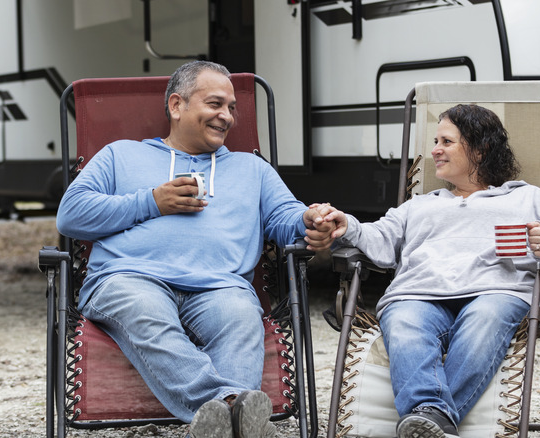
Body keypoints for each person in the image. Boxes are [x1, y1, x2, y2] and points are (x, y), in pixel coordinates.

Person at [56, 60, 339, 438]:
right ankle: (234, 408)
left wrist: (310, 222)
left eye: (232, 108)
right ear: (176, 106)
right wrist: (153, 201)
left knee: (241, 318)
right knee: (146, 313)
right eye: (215, 104)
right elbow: (71, 216)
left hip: (220, 286)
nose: (227, 117)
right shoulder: (119, 155)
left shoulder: (251, 169)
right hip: (131, 278)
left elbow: (286, 217)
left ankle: (223, 422)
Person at [324, 104, 540, 438]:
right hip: (419, 294)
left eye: (446, 141)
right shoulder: (420, 205)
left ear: (480, 150)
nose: (434, 150)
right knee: (402, 320)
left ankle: (426, 419)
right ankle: (436, 420)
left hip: (497, 292)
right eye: (435, 141)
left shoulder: (528, 198)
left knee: (485, 317)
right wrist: (348, 224)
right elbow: (379, 241)